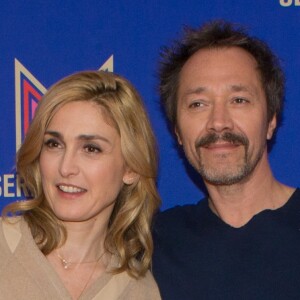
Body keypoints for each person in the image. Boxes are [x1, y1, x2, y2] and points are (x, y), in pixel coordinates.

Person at [152, 20, 300, 300]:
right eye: (198, 104)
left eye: (239, 100)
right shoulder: (154, 243)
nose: (219, 123)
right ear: (177, 132)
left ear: (271, 121)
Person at [0, 70, 161, 299]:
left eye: (91, 149)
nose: (66, 167)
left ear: (131, 168)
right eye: (54, 144)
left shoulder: (139, 290)